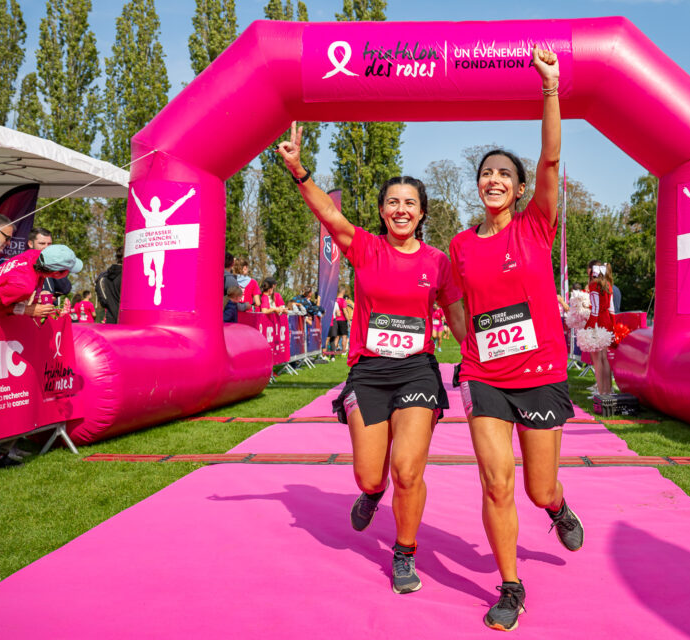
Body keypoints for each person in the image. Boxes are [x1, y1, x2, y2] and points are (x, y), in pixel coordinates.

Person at [278, 122, 466, 596]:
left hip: (417, 371)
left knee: (407, 469)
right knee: (370, 473)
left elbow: (460, 318)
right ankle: (372, 494)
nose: (401, 210)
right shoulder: (366, 247)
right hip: (369, 371)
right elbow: (329, 215)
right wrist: (300, 171)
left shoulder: (438, 262)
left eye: (410, 203)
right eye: (393, 202)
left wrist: (479, 355)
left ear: (422, 212)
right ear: (382, 211)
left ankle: (404, 553)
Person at [447, 47, 583, 632]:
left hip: (542, 372)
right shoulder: (459, 244)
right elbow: (457, 309)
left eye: (505, 173)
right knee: (495, 480)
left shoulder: (536, 227)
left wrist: (550, 88)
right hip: (485, 377)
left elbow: (552, 159)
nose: (493, 179)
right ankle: (510, 586)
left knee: (535, 486)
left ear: (522, 187)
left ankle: (557, 506)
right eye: (486, 173)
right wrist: (468, 354)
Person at [0, 244, 81, 317]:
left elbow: (10, 285)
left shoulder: (35, 255)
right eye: (68, 271)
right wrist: (25, 310)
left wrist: (35, 299)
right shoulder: (23, 286)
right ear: (56, 273)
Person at [583, 261, 615, 395]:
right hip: (607, 320)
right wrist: (612, 326)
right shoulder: (607, 284)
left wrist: (588, 327)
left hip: (598, 322)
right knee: (604, 358)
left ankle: (602, 393)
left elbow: (595, 310)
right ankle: (608, 391)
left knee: (597, 360)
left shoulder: (594, 284)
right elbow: (611, 308)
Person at [29, 228, 72, 305]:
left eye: (49, 244)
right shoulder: (21, 263)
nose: (46, 247)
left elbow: (65, 289)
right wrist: (36, 294)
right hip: (29, 312)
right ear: (30, 244)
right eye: (42, 243)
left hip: (50, 312)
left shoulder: (52, 262)